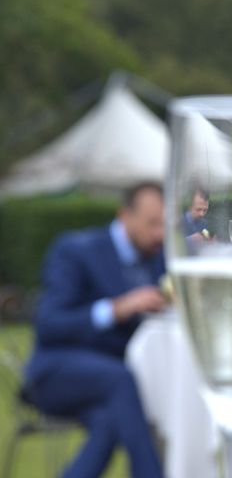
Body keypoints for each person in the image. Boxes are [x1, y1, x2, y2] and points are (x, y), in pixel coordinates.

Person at [24, 182, 167, 478]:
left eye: (165, 225)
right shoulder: (76, 250)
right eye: (152, 224)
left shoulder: (159, 259)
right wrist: (117, 309)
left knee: (110, 420)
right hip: (55, 373)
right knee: (121, 381)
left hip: (114, 386)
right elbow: (49, 325)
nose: (160, 234)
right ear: (124, 216)